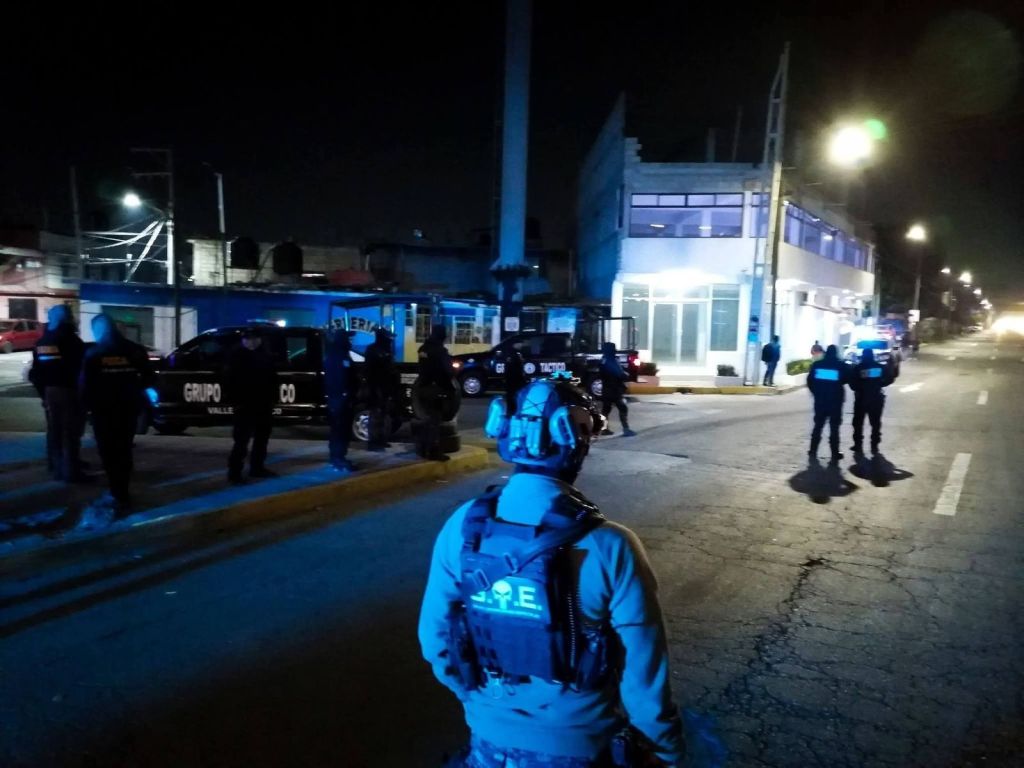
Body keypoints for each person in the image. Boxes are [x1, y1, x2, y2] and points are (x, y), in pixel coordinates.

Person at [418, 376, 685, 767]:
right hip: (582, 750)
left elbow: (434, 637)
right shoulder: (610, 546)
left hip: (487, 746)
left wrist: (480, 704)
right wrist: (666, 752)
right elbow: (644, 678)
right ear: (574, 440)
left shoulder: (462, 527)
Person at [79, 313, 155, 515]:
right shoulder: (135, 350)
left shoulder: (94, 353)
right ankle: (123, 491)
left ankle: (116, 490)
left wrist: (87, 408)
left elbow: (85, 386)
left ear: (98, 330)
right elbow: (149, 377)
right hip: (128, 409)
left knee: (108, 451)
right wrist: (132, 389)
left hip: (103, 411)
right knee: (124, 449)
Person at [29, 305, 87, 482]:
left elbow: (35, 373)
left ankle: (56, 466)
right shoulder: (71, 341)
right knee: (71, 432)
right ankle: (71, 471)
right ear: (67, 318)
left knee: (54, 431)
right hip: (69, 392)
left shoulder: (42, 342)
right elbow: (81, 370)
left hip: (49, 392)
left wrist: (43, 394)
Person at [225, 329, 278, 483]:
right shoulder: (236, 355)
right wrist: (236, 402)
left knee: (262, 438)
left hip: (263, 403)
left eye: (255, 338)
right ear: (243, 340)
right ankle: (234, 473)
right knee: (241, 441)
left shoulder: (265, 355)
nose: (252, 341)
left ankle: (257, 467)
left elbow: (272, 378)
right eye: (248, 339)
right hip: (245, 405)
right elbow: (229, 381)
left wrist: (272, 398)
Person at [415, 323, 456, 460]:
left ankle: (422, 448)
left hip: (423, 388)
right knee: (434, 422)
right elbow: (448, 371)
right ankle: (433, 451)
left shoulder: (423, 349)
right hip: (436, 390)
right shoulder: (440, 351)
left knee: (427, 421)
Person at [848, 347, 895, 457]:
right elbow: (890, 378)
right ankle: (874, 446)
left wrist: (860, 389)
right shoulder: (879, 367)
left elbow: (852, 384)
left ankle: (858, 445)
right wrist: (880, 384)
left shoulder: (858, 368)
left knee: (858, 423)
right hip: (876, 399)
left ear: (863, 356)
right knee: (875, 423)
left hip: (861, 399)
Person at [806, 344, 848, 464]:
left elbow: (810, 381)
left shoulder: (817, 365)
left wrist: (816, 393)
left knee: (818, 426)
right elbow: (847, 378)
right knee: (834, 428)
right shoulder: (840, 365)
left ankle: (813, 450)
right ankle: (835, 453)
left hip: (820, 401)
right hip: (835, 402)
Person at [325, 327, 358, 471]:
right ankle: (337, 459)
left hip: (342, 399)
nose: (351, 341)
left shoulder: (341, 354)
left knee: (342, 429)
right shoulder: (337, 355)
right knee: (339, 430)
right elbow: (338, 379)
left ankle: (339, 457)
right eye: (348, 338)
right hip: (339, 399)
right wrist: (343, 395)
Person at [363, 327, 397, 452]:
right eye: (388, 337)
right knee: (376, 415)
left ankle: (381, 440)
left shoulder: (385, 350)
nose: (390, 339)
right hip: (376, 388)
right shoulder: (374, 350)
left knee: (384, 415)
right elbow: (371, 372)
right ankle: (374, 442)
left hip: (385, 388)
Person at [599, 341, 634, 436]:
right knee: (622, 408)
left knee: (606, 410)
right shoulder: (610, 361)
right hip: (613, 390)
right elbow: (619, 374)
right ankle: (626, 429)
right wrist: (625, 375)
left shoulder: (605, 360)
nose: (615, 351)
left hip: (608, 389)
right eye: (613, 350)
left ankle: (604, 428)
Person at [503, 344, 527, 415]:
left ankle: (510, 413)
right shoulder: (515, 355)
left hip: (511, 380)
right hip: (514, 380)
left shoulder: (512, 354)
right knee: (514, 398)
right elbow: (517, 370)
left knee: (511, 398)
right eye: (520, 344)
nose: (521, 345)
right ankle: (513, 413)